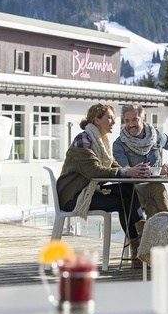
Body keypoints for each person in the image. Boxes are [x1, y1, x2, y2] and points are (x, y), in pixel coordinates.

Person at [57, 103, 148, 266]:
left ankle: (138, 240)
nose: (114, 122)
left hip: (89, 191)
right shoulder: (83, 140)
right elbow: (94, 171)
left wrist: (133, 171)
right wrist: (127, 172)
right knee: (124, 201)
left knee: (126, 189)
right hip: (74, 197)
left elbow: (113, 166)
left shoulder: (101, 141)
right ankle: (140, 241)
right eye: (110, 118)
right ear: (97, 120)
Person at [113, 104, 168, 218]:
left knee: (152, 205)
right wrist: (158, 171)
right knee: (157, 188)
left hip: (153, 190)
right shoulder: (119, 144)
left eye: (135, 120)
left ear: (143, 119)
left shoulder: (156, 136)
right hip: (132, 191)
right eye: (127, 121)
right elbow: (127, 171)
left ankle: (151, 229)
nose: (130, 125)